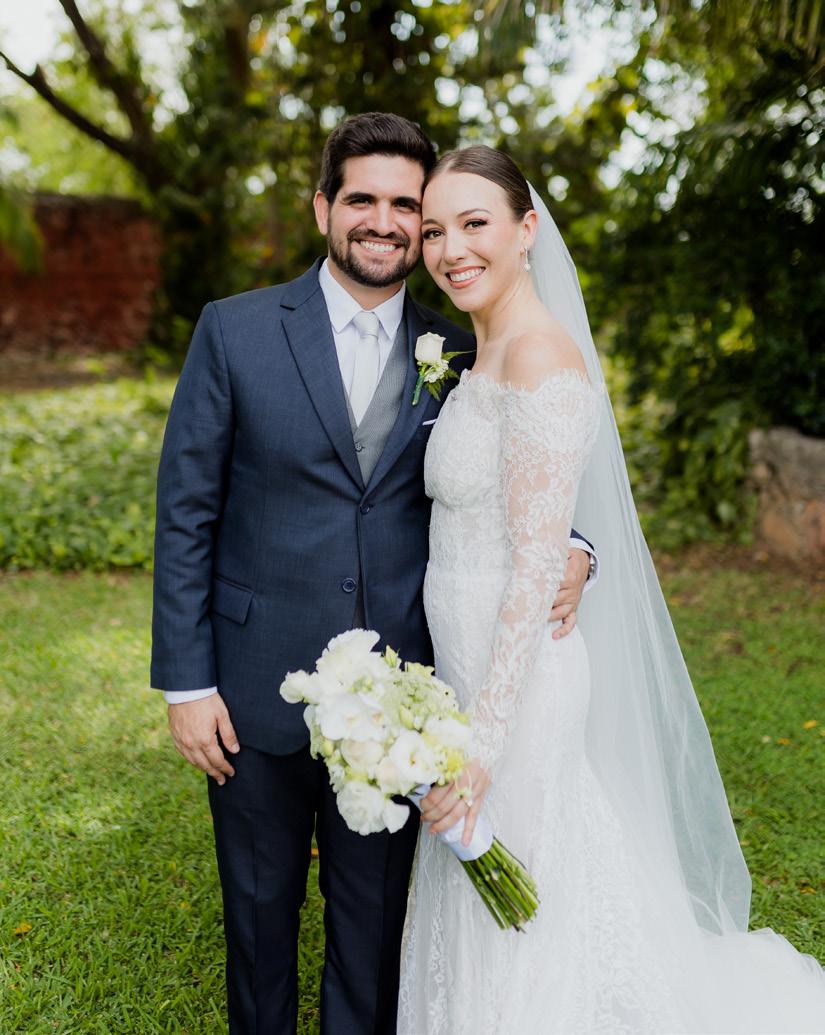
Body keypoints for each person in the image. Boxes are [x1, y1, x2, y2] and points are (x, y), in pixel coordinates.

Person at [150, 114, 598, 1035]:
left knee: (374, 926)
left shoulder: (463, 346)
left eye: (408, 207)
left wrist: (578, 546)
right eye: (363, 199)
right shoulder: (235, 331)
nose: (386, 223)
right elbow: (185, 512)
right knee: (258, 917)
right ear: (323, 207)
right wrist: (186, 683)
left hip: (408, 698)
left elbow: (528, 467)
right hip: (253, 683)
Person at [398, 144, 825, 1033]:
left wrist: (481, 743)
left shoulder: (540, 356)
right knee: (493, 885)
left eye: (473, 223)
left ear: (527, 229)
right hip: (462, 671)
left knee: (534, 884)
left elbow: (532, 563)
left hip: (513, 683)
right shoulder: (480, 349)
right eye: (433, 230)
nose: (449, 249)